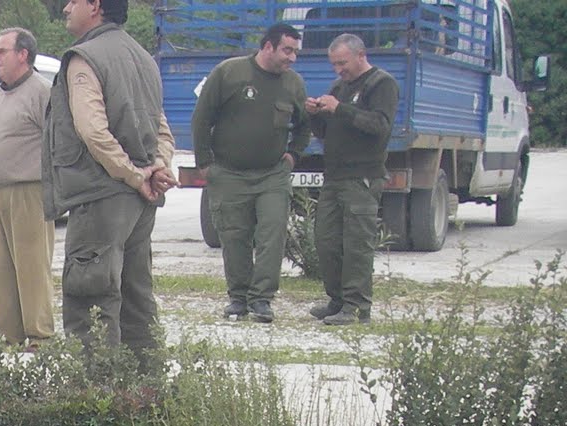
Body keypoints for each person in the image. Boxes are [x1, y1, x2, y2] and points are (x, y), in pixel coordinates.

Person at [43, 0, 176, 354]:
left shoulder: (85, 57)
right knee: (137, 298)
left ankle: (94, 396)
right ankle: (146, 390)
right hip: (140, 201)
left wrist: (134, 176)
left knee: (90, 297)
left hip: (102, 196)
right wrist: (157, 168)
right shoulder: (144, 58)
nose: (66, 7)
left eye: (73, 1)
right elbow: (161, 127)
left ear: (95, 5)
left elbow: (93, 132)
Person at [192, 22, 308, 323]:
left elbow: (304, 125)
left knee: (272, 234)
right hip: (229, 173)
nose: (292, 58)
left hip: (272, 175)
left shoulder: (293, 83)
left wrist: (293, 155)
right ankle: (238, 298)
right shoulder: (230, 73)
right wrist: (205, 163)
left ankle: (262, 300)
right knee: (234, 237)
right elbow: (202, 117)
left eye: (296, 52)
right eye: (287, 50)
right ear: (267, 46)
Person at [306, 33, 398, 326]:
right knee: (327, 241)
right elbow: (326, 132)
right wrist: (315, 115)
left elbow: (380, 126)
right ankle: (337, 300)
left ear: (361, 55)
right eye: (334, 64)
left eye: (342, 63)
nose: (338, 70)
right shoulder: (339, 86)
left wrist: (340, 109)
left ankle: (357, 306)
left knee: (357, 244)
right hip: (334, 176)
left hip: (362, 177)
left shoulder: (381, 84)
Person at [0, 28, 54, 345]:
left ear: (22, 54)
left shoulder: (42, 91)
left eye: (2, 51)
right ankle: (10, 336)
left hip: (29, 192)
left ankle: (38, 336)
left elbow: (57, 143)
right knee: (0, 270)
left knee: (32, 267)